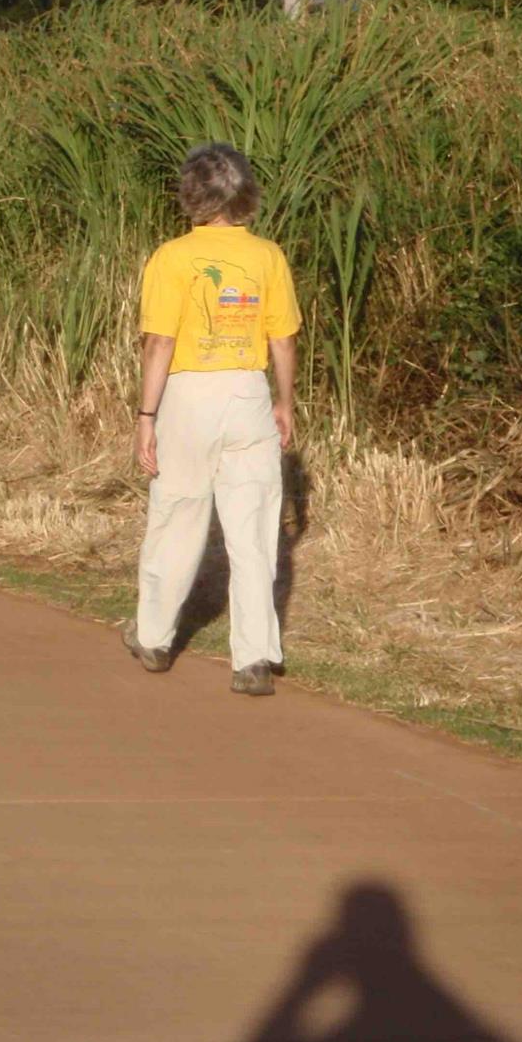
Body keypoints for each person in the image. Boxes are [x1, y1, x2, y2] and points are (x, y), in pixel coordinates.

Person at [124, 143, 300, 696]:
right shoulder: (267, 256)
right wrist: (284, 400)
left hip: (188, 393)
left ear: (191, 196)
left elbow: (160, 341)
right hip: (247, 391)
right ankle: (253, 659)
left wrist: (146, 415)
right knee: (253, 528)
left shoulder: (171, 257)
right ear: (244, 193)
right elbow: (284, 336)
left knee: (178, 512)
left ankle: (153, 636)